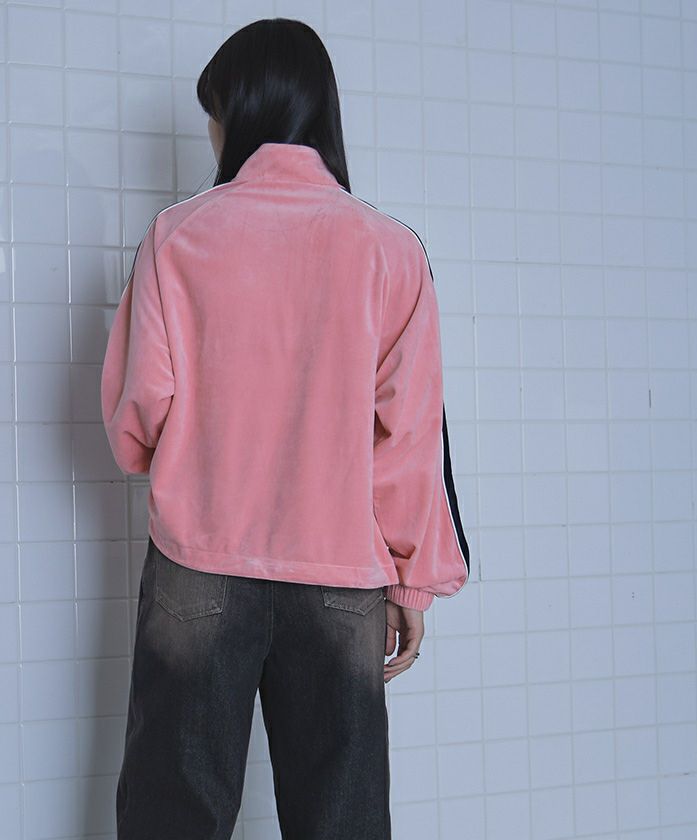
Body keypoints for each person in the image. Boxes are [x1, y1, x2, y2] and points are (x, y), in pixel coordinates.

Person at [101, 17, 469, 840]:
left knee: (171, 814)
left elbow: (137, 419)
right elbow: (410, 438)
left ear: (242, 113)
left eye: (214, 114)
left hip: (198, 564)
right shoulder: (390, 251)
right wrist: (411, 581)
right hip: (340, 574)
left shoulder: (177, 236)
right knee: (341, 817)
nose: (211, 134)